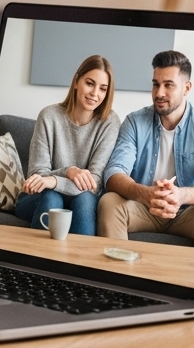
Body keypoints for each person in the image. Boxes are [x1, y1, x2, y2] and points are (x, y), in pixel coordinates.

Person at [97, 51, 194, 250]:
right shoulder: (134, 122)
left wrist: (181, 196)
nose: (159, 93)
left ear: (186, 88)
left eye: (168, 85)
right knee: (109, 202)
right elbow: (114, 172)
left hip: (186, 212)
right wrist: (144, 193)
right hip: (143, 208)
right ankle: (116, 269)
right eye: (155, 84)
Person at [15, 55, 120, 237]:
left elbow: (93, 183)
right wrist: (68, 171)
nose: (95, 93)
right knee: (52, 197)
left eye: (103, 89)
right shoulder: (49, 116)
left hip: (83, 199)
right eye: (90, 83)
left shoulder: (109, 122)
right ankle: (36, 256)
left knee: (85, 199)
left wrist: (54, 180)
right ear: (76, 81)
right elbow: (37, 176)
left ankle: (80, 257)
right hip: (40, 197)